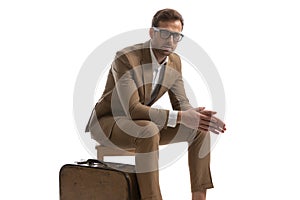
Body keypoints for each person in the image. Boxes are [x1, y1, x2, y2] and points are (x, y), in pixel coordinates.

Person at [86, 8, 226, 200]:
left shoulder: (174, 62)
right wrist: (182, 117)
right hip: (109, 122)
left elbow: (181, 103)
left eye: (176, 36)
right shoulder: (126, 58)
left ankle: (199, 197)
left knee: (199, 129)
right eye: (165, 34)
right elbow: (132, 109)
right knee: (148, 130)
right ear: (152, 33)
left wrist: (197, 116)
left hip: (142, 122)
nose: (170, 41)